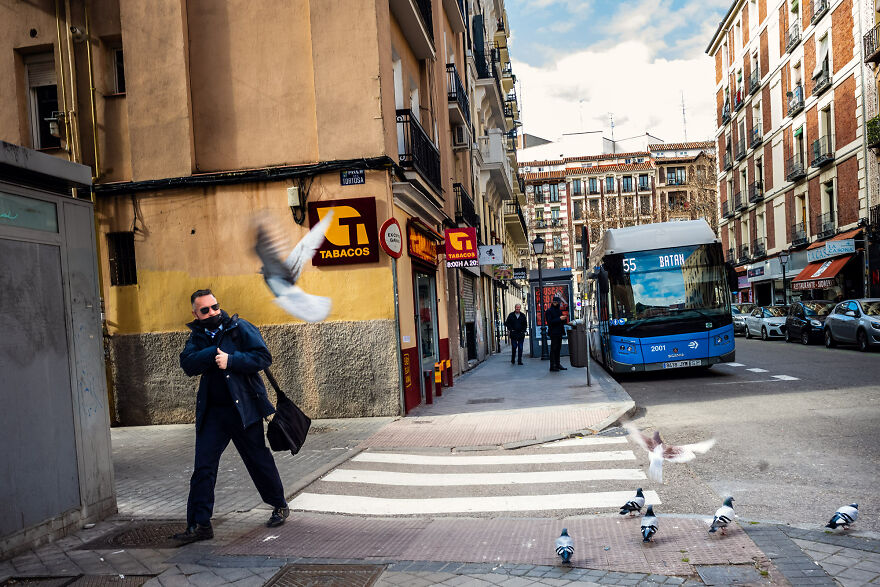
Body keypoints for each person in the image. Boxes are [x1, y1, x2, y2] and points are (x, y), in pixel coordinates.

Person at [173, 289, 289, 543]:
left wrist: (232, 360)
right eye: (206, 310)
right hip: (213, 414)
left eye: (215, 307)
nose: (213, 312)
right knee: (203, 468)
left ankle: (279, 505)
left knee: (258, 460)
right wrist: (214, 352)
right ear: (196, 313)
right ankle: (200, 524)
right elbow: (188, 364)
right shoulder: (198, 336)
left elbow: (262, 357)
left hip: (244, 409)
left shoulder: (239, 327)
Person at [545, 295, 568, 371]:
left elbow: (561, 321)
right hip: (553, 332)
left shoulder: (559, 310)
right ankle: (552, 366)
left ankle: (558, 364)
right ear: (554, 302)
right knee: (553, 349)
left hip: (559, 332)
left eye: (558, 302)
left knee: (558, 348)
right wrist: (559, 318)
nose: (558, 304)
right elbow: (550, 322)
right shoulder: (549, 311)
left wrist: (564, 319)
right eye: (557, 302)